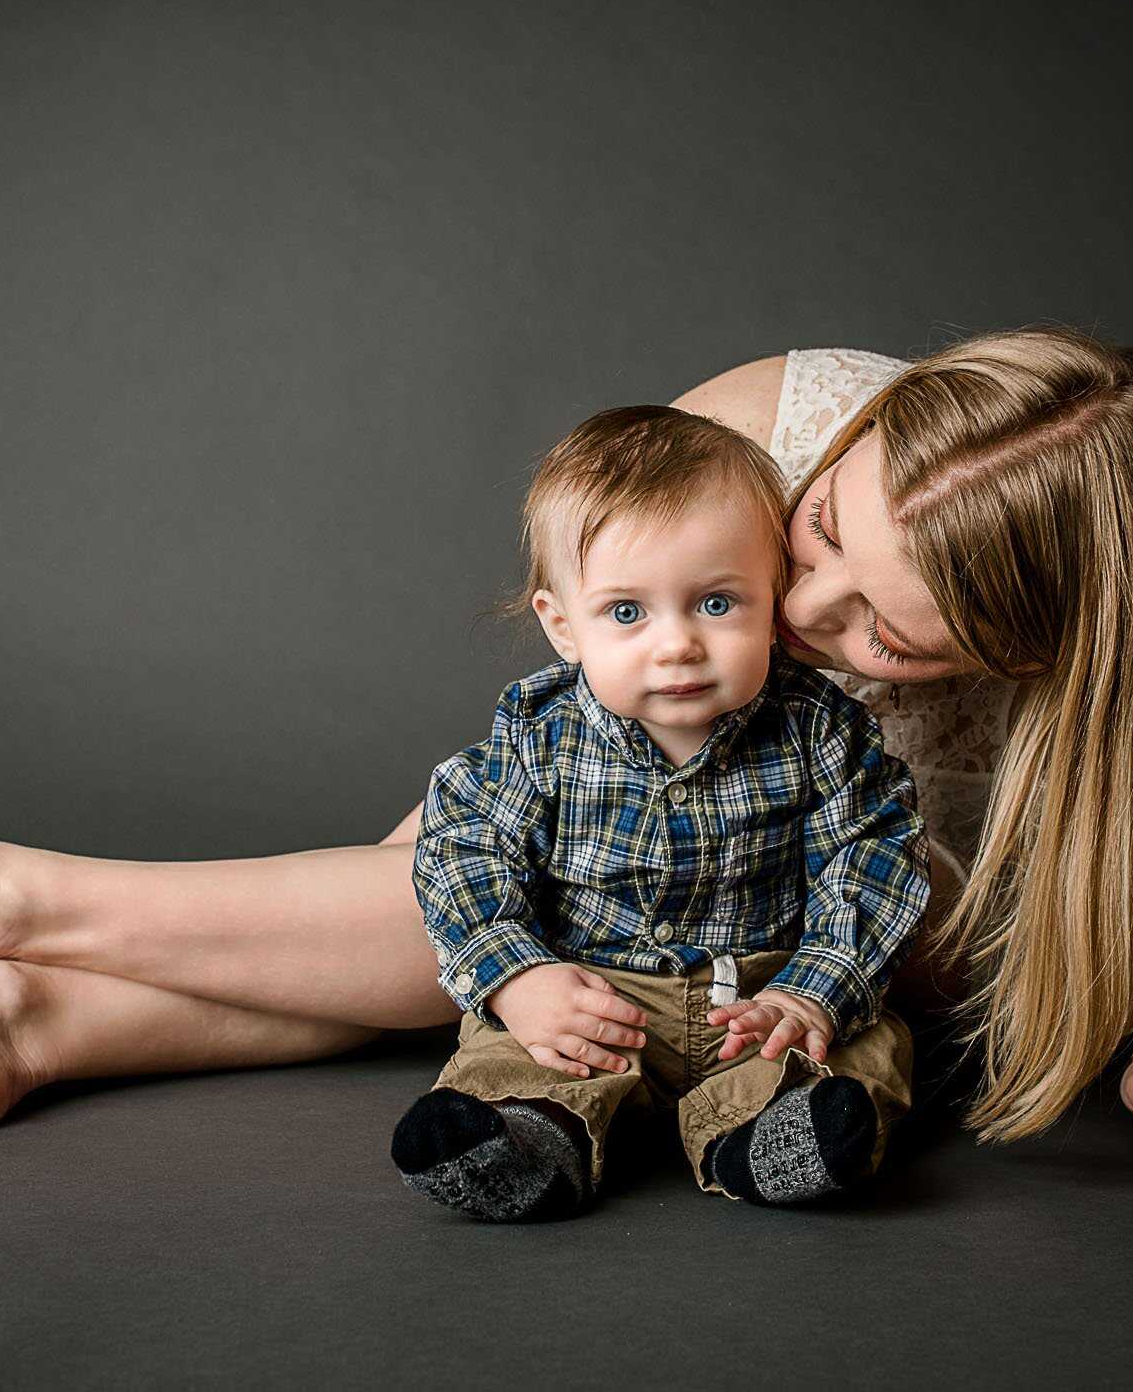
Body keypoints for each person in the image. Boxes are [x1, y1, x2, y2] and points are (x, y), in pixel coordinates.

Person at [0, 329, 1133, 1176]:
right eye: (812, 533)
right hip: (638, 802)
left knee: (485, 929)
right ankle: (7, 998)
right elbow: (605, 641)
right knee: (467, 903)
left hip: (848, 895)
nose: (801, 599)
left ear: (1040, 652)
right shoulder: (778, 411)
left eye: (881, 626)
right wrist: (479, 879)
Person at [391, 406, 927, 1221]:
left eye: (716, 604)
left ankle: (768, 1131)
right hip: (592, 994)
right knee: (513, 1050)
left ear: (772, 599)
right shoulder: (544, 733)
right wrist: (518, 976)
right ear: (564, 625)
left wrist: (814, 990)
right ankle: (530, 1133)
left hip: (759, 996)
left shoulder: (820, 727)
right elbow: (465, 846)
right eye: (627, 612)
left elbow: (873, 853)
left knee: (864, 1043)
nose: (675, 644)